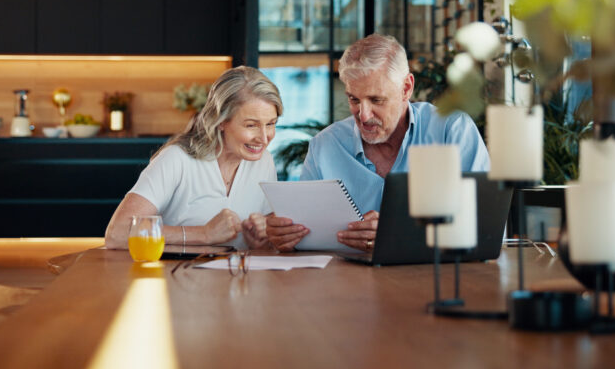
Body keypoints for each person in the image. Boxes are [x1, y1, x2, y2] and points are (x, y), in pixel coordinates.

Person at [267, 34, 489, 253]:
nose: (363, 115)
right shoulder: (324, 146)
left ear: (406, 88)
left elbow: (484, 222)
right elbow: (305, 235)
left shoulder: (452, 131)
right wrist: (287, 237)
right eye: (354, 99)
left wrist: (399, 232)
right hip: (345, 275)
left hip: (433, 274)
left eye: (376, 100)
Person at [105, 66, 282, 250]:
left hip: (238, 269)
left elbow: (267, 240)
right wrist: (203, 234)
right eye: (251, 125)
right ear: (221, 121)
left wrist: (260, 239)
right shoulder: (176, 158)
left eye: (271, 124)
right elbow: (117, 233)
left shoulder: (264, 162)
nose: (264, 138)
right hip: (179, 270)